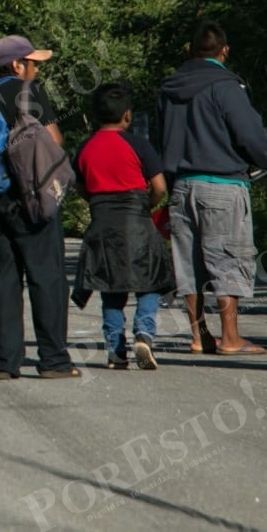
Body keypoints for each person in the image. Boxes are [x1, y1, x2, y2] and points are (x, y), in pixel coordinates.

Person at [159, 21, 267, 356]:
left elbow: (159, 138)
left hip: (181, 186)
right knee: (227, 260)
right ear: (224, 51)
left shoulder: (169, 89)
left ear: (190, 51)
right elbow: (249, 134)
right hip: (221, 183)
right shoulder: (227, 85)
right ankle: (230, 337)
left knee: (188, 264)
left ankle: (198, 335)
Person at [0, 35, 78, 379]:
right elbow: (53, 140)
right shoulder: (27, 93)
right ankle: (53, 360)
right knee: (46, 277)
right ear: (17, 65)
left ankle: (6, 362)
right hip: (30, 199)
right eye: (34, 63)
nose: (36, 70)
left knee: (3, 282)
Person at [71, 83, 175, 370]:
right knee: (150, 283)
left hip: (102, 226)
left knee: (111, 291)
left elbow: (80, 188)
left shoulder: (85, 148)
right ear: (127, 115)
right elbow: (159, 187)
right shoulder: (139, 145)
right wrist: (146, 205)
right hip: (137, 222)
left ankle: (116, 351)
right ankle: (144, 334)